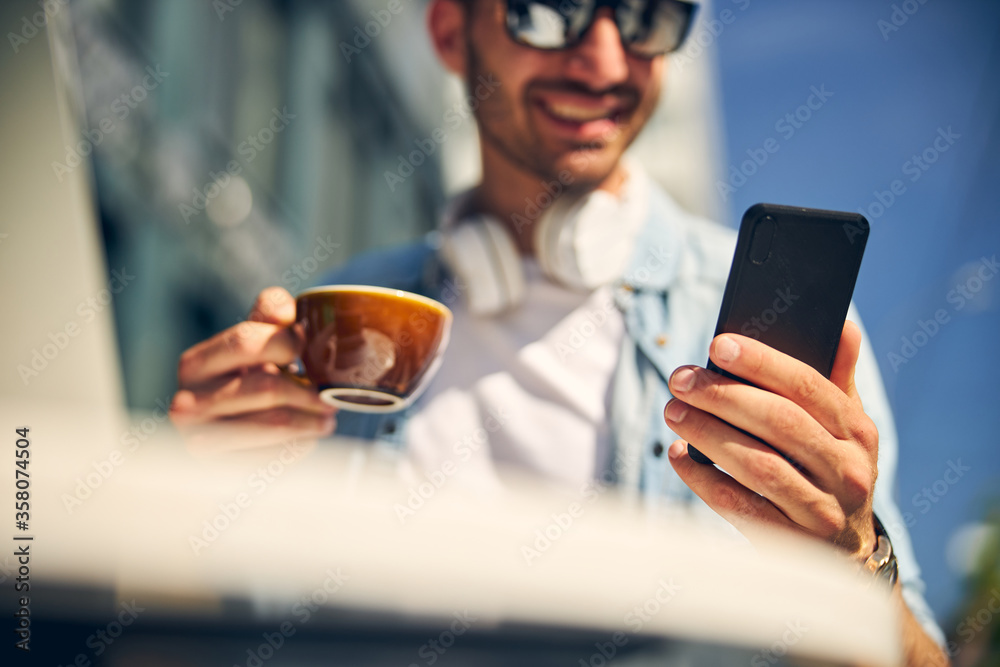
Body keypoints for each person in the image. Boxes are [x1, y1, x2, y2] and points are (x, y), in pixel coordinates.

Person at [170, 1, 949, 663]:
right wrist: (195, 506)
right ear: (449, 30)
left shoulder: (777, 330)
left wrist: (853, 564)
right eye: (549, 10)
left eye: (647, 16)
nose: (606, 62)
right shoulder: (336, 326)